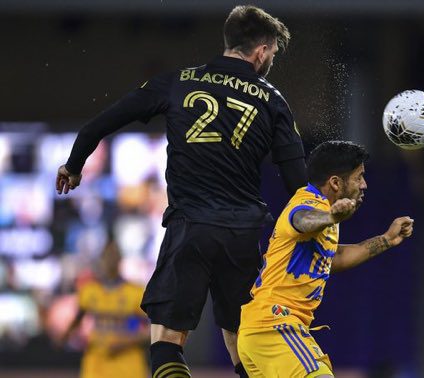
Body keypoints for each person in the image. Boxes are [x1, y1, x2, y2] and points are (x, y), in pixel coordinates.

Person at [55, 5, 307, 377]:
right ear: (262, 51)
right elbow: (299, 185)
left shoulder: (178, 81)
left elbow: (101, 123)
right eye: (272, 53)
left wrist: (74, 165)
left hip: (190, 228)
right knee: (244, 344)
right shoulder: (273, 100)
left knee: (167, 338)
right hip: (242, 235)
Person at [237, 141, 414, 377]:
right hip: (275, 325)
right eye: (359, 177)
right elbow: (301, 221)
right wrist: (330, 216)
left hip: (262, 330)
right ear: (335, 183)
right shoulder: (308, 204)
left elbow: (335, 257)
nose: (364, 185)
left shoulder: (324, 215)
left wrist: (386, 240)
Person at [59, 241, 149, 378]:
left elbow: (153, 329)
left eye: (114, 255)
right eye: (107, 255)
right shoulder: (90, 291)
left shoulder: (135, 292)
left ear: (120, 259)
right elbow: (78, 319)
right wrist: (65, 337)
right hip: (97, 362)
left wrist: (128, 340)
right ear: (101, 259)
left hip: (127, 362)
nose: (110, 260)